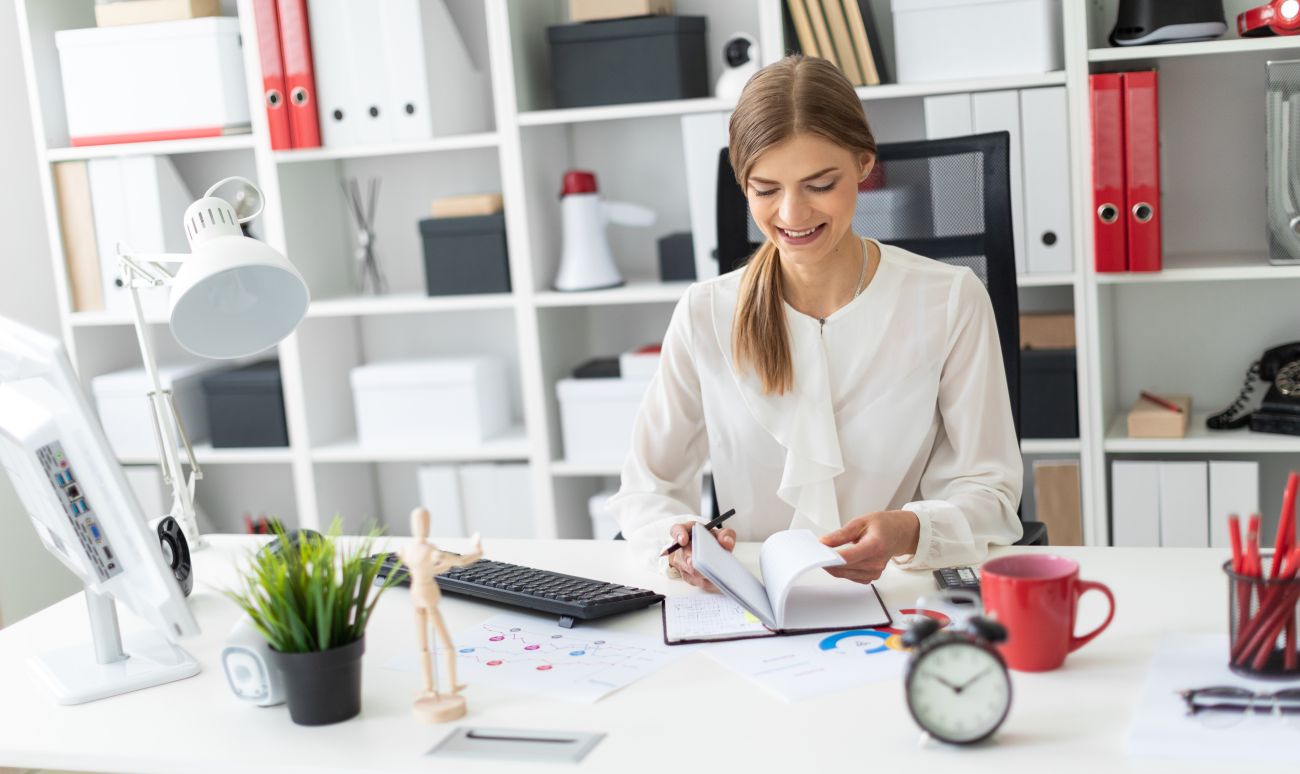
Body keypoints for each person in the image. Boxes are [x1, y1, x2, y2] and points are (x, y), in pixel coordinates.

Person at [607, 55, 1023, 589]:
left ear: (864, 165)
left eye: (820, 184)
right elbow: (647, 488)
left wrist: (911, 529)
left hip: (897, 594)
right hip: (751, 599)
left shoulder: (950, 300)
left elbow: (991, 490)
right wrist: (681, 544)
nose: (792, 214)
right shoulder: (705, 312)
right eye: (765, 190)